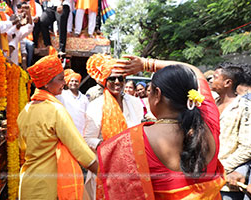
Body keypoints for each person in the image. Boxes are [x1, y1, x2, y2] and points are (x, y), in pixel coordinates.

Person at [96, 55, 225, 199]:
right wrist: (147, 64)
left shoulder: (130, 142)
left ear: (157, 94)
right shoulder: (209, 119)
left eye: (150, 91)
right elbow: (195, 72)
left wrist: (145, 64)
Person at [18, 52, 98, 200]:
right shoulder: (55, 110)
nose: (64, 83)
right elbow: (79, 149)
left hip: (28, 183)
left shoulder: (25, 111)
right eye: (61, 79)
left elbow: (23, 147)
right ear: (47, 83)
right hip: (48, 186)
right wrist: (103, 171)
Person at [83, 54, 144, 199]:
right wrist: (109, 146)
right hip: (105, 165)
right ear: (105, 81)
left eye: (120, 78)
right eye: (112, 78)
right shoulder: (96, 106)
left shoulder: (134, 103)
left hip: (132, 165)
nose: (117, 82)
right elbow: (87, 138)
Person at [211, 62, 251, 200]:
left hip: (227, 182)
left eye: (215, 77)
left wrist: (221, 168)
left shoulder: (244, 107)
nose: (211, 80)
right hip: (204, 178)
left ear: (227, 82)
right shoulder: (211, 104)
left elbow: (247, 147)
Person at [56, 69, 89, 136]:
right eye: (71, 81)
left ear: (79, 83)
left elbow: (88, 115)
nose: (74, 83)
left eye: (76, 81)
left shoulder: (84, 98)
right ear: (68, 83)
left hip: (81, 132)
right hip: (66, 131)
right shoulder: (61, 95)